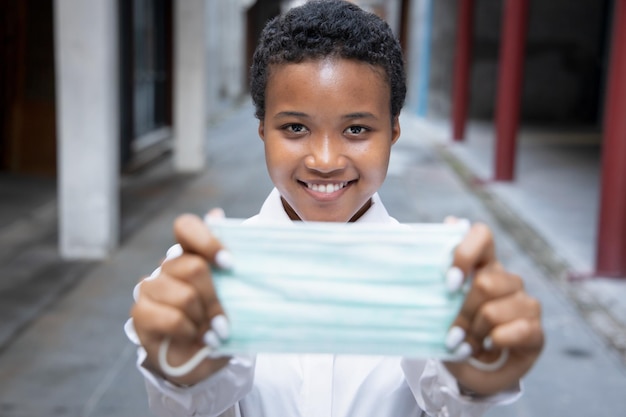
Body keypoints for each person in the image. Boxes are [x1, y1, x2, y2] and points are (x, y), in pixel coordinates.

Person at [126, 1, 544, 416]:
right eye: (295, 127)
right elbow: (183, 406)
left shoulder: (441, 277)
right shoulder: (197, 278)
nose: (324, 160)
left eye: (356, 129)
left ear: (394, 130)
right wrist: (181, 376)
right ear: (261, 129)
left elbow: (447, 401)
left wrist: (475, 377)